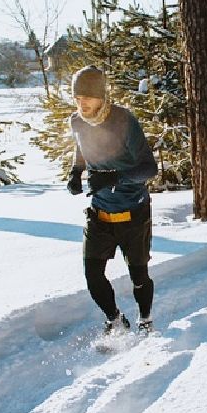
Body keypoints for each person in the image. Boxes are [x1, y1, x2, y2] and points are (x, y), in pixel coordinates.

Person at [66, 65, 160, 337]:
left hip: (133, 212)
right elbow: (80, 147)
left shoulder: (123, 121)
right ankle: (115, 318)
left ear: (101, 96)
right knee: (92, 276)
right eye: (77, 98)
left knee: (138, 275)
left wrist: (113, 178)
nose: (81, 104)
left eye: (86, 97)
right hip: (99, 214)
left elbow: (149, 168)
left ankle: (145, 320)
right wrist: (75, 172)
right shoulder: (77, 121)